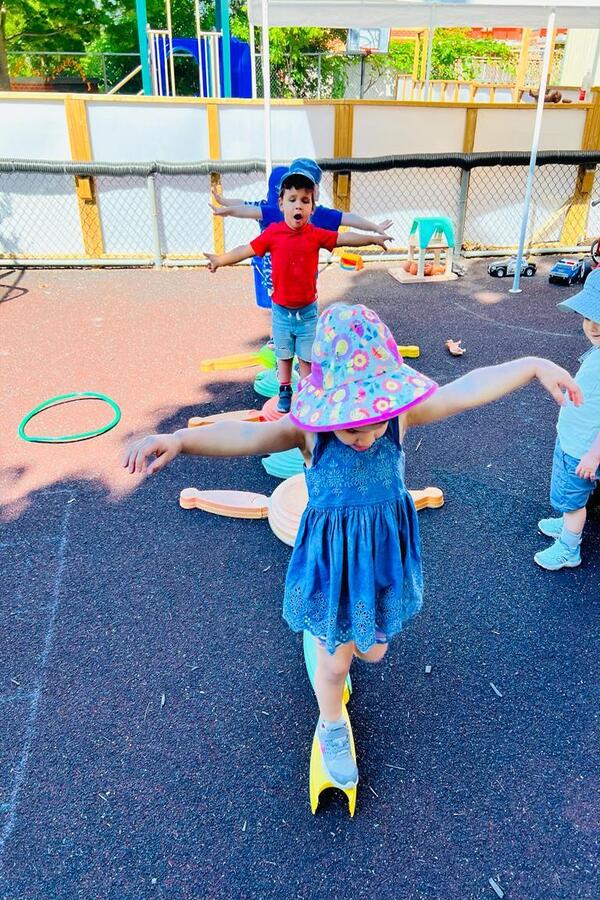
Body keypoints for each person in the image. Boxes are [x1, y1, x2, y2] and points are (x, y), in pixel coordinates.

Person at [122, 303, 581, 792]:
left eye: (372, 422)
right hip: (334, 561)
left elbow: (465, 390)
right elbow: (245, 435)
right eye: (350, 425)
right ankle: (331, 724)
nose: (364, 436)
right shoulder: (307, 433)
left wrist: (533, 364)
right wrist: (179, 439)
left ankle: (333, 647)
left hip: (381, 555)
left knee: (375, 652)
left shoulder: (397, 421)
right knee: (337, 661)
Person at [204, 169, 390, 414]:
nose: (298, 205)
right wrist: (220, 259)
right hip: (281, 311)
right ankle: (284, 389)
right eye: (292, 200)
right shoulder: (273, 233)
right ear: (281, 204)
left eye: (305, 200)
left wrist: (372, 239)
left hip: (307, 312)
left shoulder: (315, 235)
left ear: (312, 207)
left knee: (306, 356)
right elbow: (245, 250)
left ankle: (305, 391)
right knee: (283, 353)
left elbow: (345, 238)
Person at [535, 269, 600, 570]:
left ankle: (568, 549)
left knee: (574, 501)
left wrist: (593, 455)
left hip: (584, 449)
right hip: (575, 438)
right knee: (567, 493)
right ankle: (566, 523)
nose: (593, 326)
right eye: (588, 316)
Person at [210, 157, 393, 239]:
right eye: (293, 195)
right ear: (284, 195)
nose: (298, 204)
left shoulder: (318, 214)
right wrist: (226, 207)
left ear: (313, 197)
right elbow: (246, 207)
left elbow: (348, 218)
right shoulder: (275, 209)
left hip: (304, 283)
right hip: (277, 279)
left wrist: (374, 228)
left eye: (305, 196)